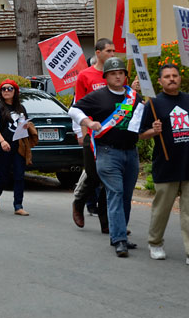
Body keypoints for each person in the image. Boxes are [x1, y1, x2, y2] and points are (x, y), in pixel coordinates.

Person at [139, 63, 189, 268]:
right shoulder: (153, 104)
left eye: (175, 75)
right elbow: (141, 134)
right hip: (165, 165)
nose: (172, 79)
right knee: (161, 209)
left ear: (179, 78)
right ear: (160, 81)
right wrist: (153, 131)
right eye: (167, 76)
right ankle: (155, 243)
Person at [70, 57, 142, 257]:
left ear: (125, 76)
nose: (117, 76)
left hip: (131, 152)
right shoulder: (97, 96)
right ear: (106, 77)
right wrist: (88, 123)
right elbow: (73, 109)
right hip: (108, 153)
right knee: (115, 194)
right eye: (113, 73)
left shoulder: (133, 96)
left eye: (120, 73)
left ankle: (120, 235)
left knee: (126, 196)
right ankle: (119, 238)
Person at [71, 38, 117, 230]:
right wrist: (84, 134)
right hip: (92, 135)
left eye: (114, 51)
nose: (112, 55)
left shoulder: (115, 75)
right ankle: (79, 202)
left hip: (113, 135)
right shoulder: (85, 76)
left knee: (109, 180)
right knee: (93, 175)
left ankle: (108, 223)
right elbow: (78, 108)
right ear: (98, 53)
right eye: (109, 51)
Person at [0, 79, 31, 216]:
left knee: (19, 175)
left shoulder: (21, 108)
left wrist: (27, 126)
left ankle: (18, 205)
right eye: (4, 89)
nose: (6, 91)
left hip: (18, 146)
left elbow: (24, 123)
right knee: (4, 176)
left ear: (15, 91)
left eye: (10, 89)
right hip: (3, 146)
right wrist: (2, 141)